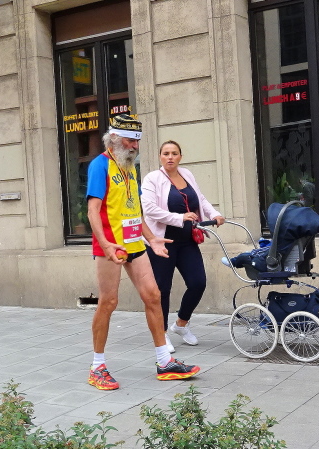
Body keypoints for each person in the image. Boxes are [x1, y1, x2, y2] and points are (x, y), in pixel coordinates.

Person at [86, 115, 201, 390]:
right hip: (111, 244)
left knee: (153, 296)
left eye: (137, 141)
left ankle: (164, 362)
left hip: (135, 243)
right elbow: (92, 210)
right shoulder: (100, 165)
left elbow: (135, 210)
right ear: (114, 138)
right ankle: (97, 367)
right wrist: (105, 244)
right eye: (130, 140)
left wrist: (152, 238)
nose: (135, 146)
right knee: (108, 302)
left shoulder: (129, 168)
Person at [141, 140, 225, 353]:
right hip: (162, 242)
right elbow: (149, 209)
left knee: (198, 283)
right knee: (162, 289)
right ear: (160, 156)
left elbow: (200, 199)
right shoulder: (152, 178)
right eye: (166, 153)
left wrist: (214, 214)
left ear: (180, 156)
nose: (170, 157)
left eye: (174, 153)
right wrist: (179, 217)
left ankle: (181, 324)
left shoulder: (186, 174)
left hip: (187, 241)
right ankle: (162, 334)